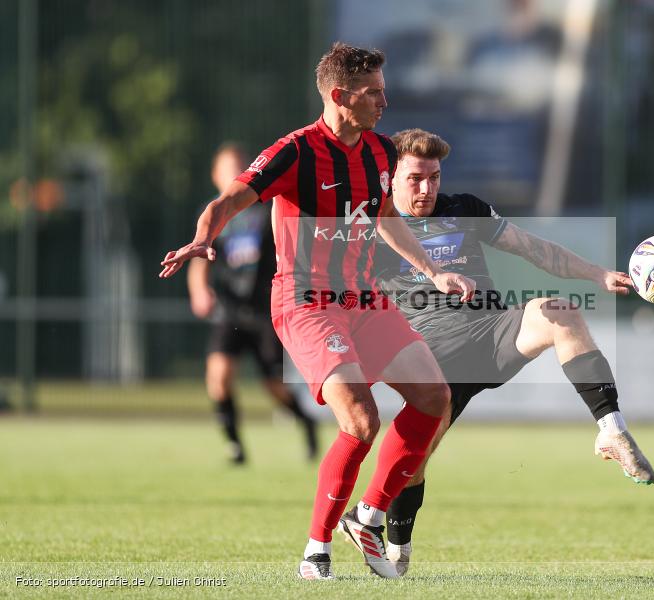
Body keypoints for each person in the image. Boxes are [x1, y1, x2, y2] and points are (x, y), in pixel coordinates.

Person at [159, 44, 476, 581]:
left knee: (434, 396)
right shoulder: (295, 152)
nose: (384, 99)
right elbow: (226, 203)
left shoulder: (379, 151)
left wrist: (431, 270)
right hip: (306, 304)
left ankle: (369, 516)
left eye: (382, 87)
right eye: (373, 90)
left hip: (364, 299)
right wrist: (199, 240)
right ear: (339, 95)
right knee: (360, 419)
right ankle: (316, 549)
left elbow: (386, 218)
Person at [374, 128, 654, 576]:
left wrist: (595, 273)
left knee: (560, 313)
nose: (427, 188)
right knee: (413, 463)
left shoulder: (464, 209)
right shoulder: (375, 227)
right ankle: (397, 549)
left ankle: (611, 429)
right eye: (415, 178)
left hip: (492, 332)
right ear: (390, 178)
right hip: (434, 358)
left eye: (434, 176)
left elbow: (533, 248)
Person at [187, 143, 319, 465]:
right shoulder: (214, 215)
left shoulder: (265, 210)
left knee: (273, 385)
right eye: (226, 169)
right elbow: (199, 258)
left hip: (265, 312)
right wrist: (199, 291)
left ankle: (306, 422)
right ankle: (235, 447)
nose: (233, 174)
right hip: (230, 311)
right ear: (215, 175)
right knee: (218, 376)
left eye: (238, 167)